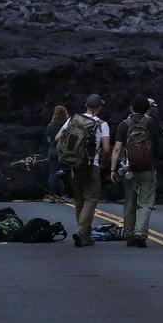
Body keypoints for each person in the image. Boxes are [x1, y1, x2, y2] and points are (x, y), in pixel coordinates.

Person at [110, 95, 163, 248]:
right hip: (148, 168)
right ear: (148, 109)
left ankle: (129, 234)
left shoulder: (124, 125)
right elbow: (159, 145)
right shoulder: (151, 124)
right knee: (145, 203)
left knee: (130, 201)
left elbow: (117, 148)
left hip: (129, 169)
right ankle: (140, 233)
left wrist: (113, 169)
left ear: (131, 108)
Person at [56, 94, 111, 248]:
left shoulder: (73, 119)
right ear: (99, 107)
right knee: (91, 199)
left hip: (73, 165)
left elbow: (57, 137)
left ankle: (85, 237)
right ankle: (81, 230)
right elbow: (106, 148)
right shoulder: (102, 124)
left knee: (79, 200)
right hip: (90, 165)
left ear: (86, 105)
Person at [45, 105, 68, 202]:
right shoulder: (65, 126)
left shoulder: (50, 126)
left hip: (52, 150)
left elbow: (49, 140)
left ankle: (51, 196)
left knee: (52, 173)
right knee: (64, 173)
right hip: (63, 151)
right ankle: (64, 195)